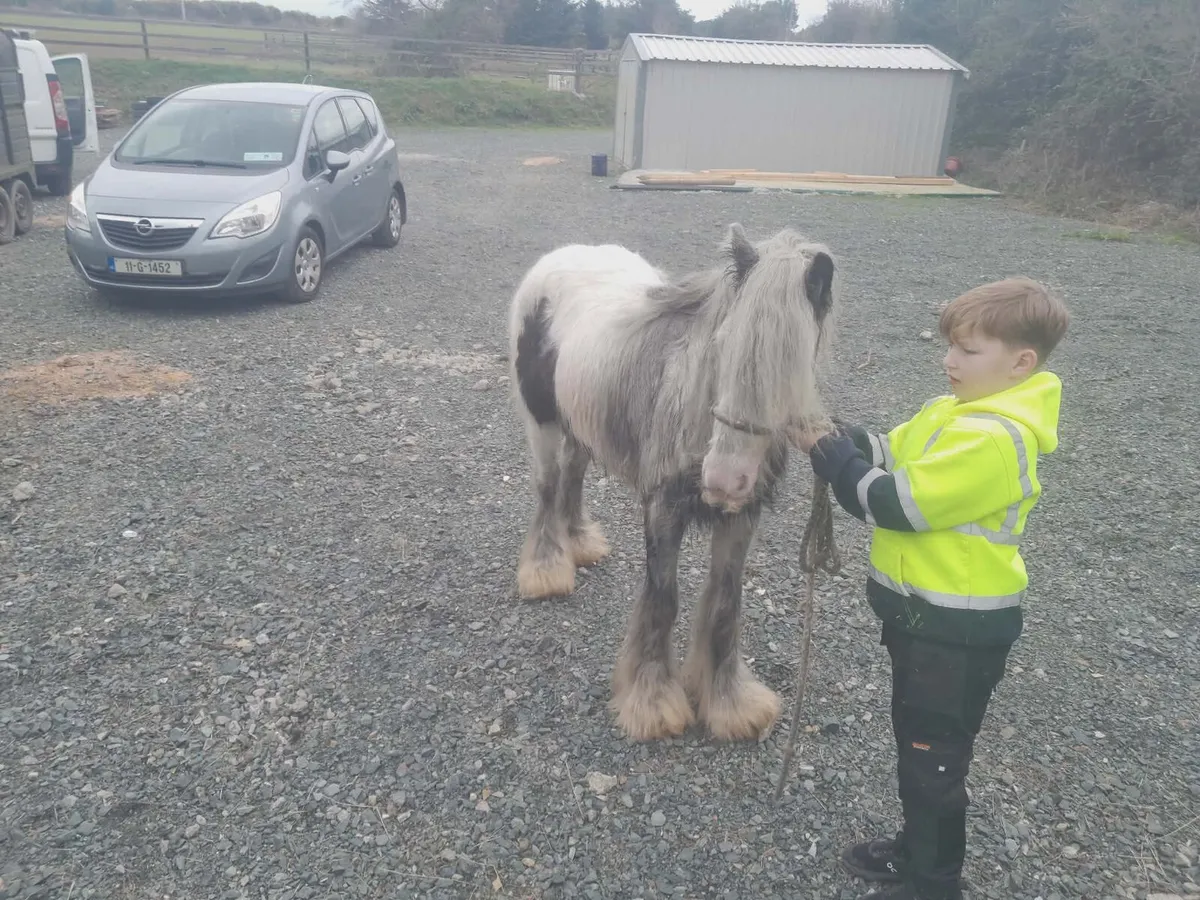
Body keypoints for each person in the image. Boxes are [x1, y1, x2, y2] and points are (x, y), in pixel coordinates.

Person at [794, 277, 1070, 900]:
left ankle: (934, 884)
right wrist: (843, 437)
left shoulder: (996, 439)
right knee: (919, 749)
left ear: (1021, 362)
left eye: (969, 352)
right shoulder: (954, 412)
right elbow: (892, 453)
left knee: (934, 762)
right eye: (950, 347)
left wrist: (836, 462)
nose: (949, 360)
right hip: (924, 624)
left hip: (957, 636)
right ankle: (915, 851)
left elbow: (893, 503)